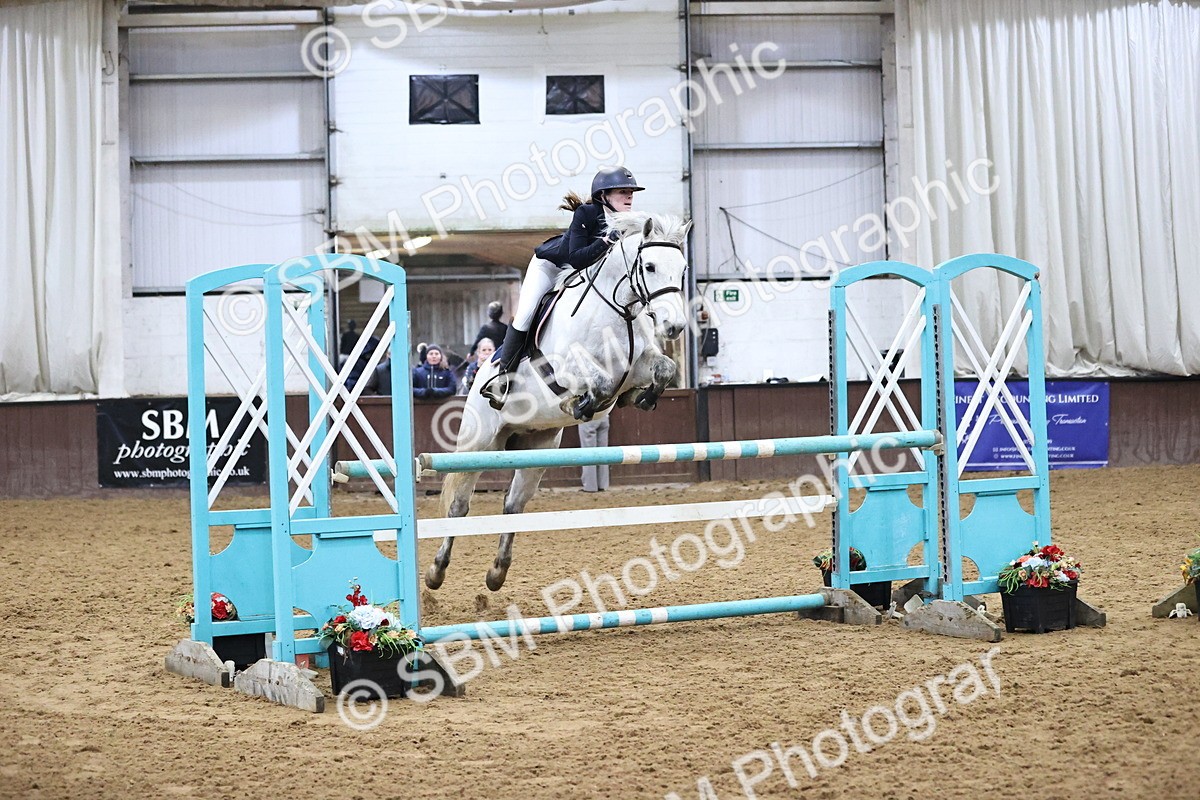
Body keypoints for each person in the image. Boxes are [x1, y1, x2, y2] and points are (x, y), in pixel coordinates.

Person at [489, 166, 645, 390]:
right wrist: (607, 240)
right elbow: (577, 259)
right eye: (622, 191)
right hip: (551, 266)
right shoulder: (586, 213)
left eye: (631, 192)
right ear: (603, 196)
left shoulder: (629, 222)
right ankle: (503, 376)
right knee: (525, 314)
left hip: (579, 275)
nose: (629, 196)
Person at [578, 415, 610, 492]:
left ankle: (590, 486)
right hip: (604, 417)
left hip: (589, 417)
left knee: (588, 452)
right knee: (603, 453)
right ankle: (603, 485)